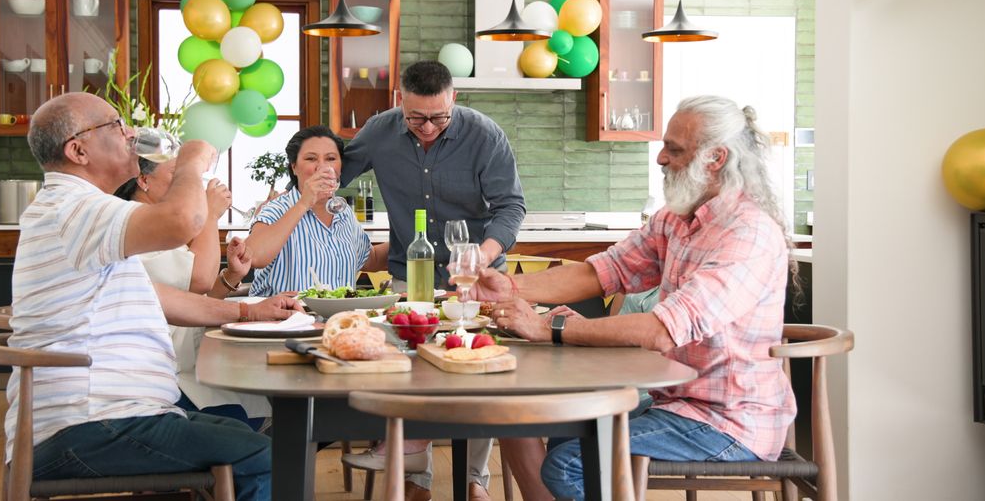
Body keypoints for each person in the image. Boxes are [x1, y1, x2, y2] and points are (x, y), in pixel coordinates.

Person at [470, 95, 798, 500]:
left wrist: (550, 329)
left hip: (728, 421)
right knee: (565, 430)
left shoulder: (748, 235)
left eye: (674, 149)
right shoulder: (676, 219)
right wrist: (512, 288)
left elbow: (662, 331)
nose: (660, 157)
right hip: (675, 401)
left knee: (569, 461)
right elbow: (603, 272)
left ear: (715, 158)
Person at [7, 92, 298, 500]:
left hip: (111, 418)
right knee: (267, 456)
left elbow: (161, 298)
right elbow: (183, 220)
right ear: (78, 150)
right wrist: (192, 163)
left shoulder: (86, 211)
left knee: (238, 431)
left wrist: (250, 310)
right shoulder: (73, 209)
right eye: (114, 125)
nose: (129, 133)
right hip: (89, 424)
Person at [340, 61, 527, 501]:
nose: (428, 127)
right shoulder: (379, 131)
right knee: (407, 368)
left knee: (476, 369)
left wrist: (483, 255)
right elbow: (333, 174)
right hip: (409, 274)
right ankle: (416, 474)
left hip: (476, 278)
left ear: (454, 100)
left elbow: (510, 207)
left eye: (439, 117)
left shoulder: (484, 135)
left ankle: (474, 477)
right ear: (398, 102)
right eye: (417, 117)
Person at [114, 158, 271, 430]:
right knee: (249, 415)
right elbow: (198, 280)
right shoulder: (135, 224)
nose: (192, 183)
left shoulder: (162, 225)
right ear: (143, 180)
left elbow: (190, 297)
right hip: (155, 379)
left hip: (187, 364)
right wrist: (209, 213)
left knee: (259, 403)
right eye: (178, 173)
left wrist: (232, 275)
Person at [247, 125, 388, 295]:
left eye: (330, 158)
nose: (322, 167)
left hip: (336, 319)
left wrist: (415, 236)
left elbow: (370, 259)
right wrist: (304, 203)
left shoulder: (343, 213)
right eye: (311, 159)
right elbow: (253, 256)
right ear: (294, 166)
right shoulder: (276, 209)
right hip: (282, 319)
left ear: (340, 167)